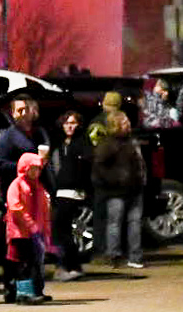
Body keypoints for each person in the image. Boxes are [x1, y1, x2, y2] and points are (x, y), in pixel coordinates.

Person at [93, 109, 146, 270]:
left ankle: (135, 256)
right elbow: (99, 167)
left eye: (127, 121)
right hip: (115, 191)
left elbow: (139, 164)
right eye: (123, 122)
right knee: (115, 223)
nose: (127, 124)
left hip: (134, 189)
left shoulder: (131, 142)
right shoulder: (108, 144)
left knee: (134, 223)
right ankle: (114, 255)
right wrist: (114, 180)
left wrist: (139, 179)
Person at [47, 107, 93, 282]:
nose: (69, 126)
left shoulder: (82, 143)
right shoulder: (59, 144)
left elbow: (85, 167)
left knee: (60, 231)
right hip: (59, 192)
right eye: (67, 123)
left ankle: (64, 266)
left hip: (72, 193)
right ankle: (73, 266)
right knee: (64, 231)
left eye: (73, 123)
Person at [3, 151, 52, 304]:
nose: (36, 172)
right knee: (21, 264)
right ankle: (23, 293)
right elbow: (15, 207)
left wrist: (45, 230)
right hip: (19, 232)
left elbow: (44, 210)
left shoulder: (39, 187)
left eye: (38, 169)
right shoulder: (16, 185)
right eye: (33, 168)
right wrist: (30, 223)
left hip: (35, 232)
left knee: (34, 263)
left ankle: (35, 290)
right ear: (25, 168)